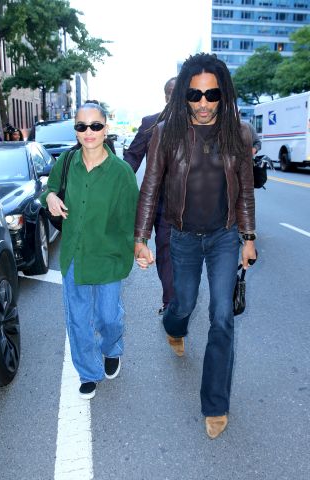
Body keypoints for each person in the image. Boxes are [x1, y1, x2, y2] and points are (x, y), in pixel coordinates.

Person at [134, 53, 257, 439]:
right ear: (183, 95)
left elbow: (246, 191)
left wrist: (248, 238)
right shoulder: (165, 132)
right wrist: (141, 237)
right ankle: (174, 327)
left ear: (223, 93)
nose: (203, 103)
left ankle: (216, 404)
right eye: (195, 94)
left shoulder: (236, 133)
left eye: (211, 94)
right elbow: (151, 186)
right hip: (182, 236)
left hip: (223, 238)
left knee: (222, 316)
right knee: (182, 305)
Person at [40, 103, 139, 400]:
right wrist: (51, 197)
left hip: (108, 257)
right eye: (82, 126)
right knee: (79, 319)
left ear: (106, 129)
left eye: (95, 126)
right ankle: (88, 371)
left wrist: (137, 248)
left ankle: (112, 348)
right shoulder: (67, 161)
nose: (89, 132)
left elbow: (130, 220)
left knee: (109, 317)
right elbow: (49, 188)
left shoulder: (121, 173)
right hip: (74, 255)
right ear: (76, 130)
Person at [123, 77, 176, 315]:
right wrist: (115, 180)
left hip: (195, 205)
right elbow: (132, 158)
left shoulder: (200, 123)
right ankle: (170, 304)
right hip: (162, 204)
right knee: (166, 253)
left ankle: (179, 301)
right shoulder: (150, 124)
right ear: (165, 96)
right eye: (170, 93)